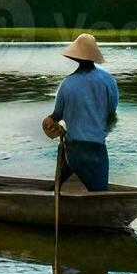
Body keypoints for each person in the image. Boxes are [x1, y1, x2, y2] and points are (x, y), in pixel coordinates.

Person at [42, 33, 118, 192]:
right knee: (99, 193)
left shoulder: (67, 84)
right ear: (93, 56)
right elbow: (112, 113)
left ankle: (54, 191)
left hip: (74, 149)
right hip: (96, 147)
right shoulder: (108, 80)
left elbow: (57, 115)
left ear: (76, 58)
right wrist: (101, 131)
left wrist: (50, 122)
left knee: (64, 179)